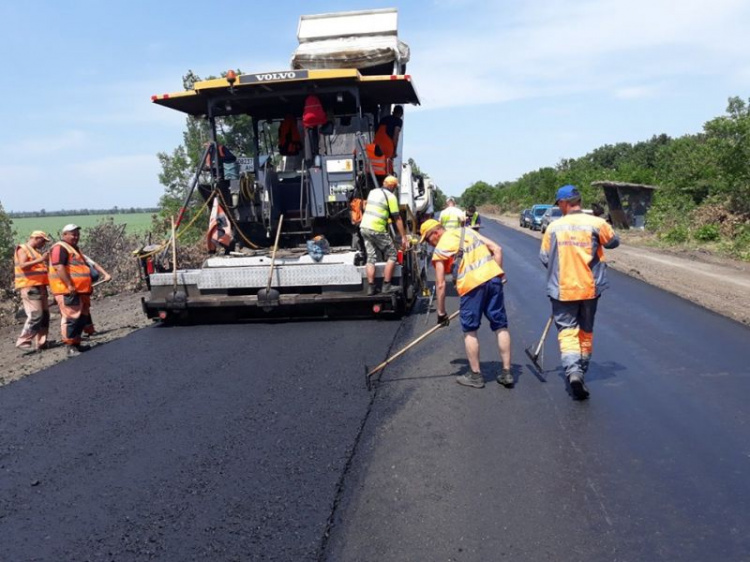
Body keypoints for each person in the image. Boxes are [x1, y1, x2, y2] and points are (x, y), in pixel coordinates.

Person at [539, 185, 620, 399]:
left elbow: (545, 258)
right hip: (589, 289)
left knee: (567, 332)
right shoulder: (597, 223)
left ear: (565, 203)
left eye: (560, 205)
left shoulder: (553, 227)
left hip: (563, 290)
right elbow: (613, 242)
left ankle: (573, 372)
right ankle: (582, 369)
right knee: (585, 330)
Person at [420, 219, 513, 389]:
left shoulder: (440, 248)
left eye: (427, 240)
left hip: (472, 287)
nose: (429, 244)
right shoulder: (467, 232)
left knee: (470, 330)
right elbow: (497, 249)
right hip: (493, 279)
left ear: (435, 233)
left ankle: (475, 375)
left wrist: (441, 313)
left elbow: (440, 285)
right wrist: (497, 276)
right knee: (501, 326)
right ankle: (507, 372)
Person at [48, 224, 94, 357]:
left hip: (81, 290)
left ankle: (77, 343)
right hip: (68, 290)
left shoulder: (73, 249)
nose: (76, 237)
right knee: (72, 318)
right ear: (64, 235)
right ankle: (70, 347)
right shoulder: (59, 248)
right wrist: (69, 285)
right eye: (72, 234)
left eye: (77, 234)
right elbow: (59, 267)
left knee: (82, 317)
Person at [360, 175, 409, 295]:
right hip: (377, 228)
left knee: (371, 257)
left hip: (364, 227)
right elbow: (397, 218)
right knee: (392, 254)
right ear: (392, 186)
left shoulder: (373, 192)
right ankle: (386, 285)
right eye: (395, 187)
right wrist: (403, 236)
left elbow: (368, 207)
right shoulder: (391, 197)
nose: (395, 189)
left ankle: (371, 287)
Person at [14, 230, 52, 351]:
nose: (44, 244)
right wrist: (41, 260)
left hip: (40, 286)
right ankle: (23, 341)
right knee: (36, 314)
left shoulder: (36, 252)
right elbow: (23, 265)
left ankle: (42, 342)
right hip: (30, 286)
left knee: (45, 315)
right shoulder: (23, 248)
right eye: (43, 241)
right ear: (36, 238)